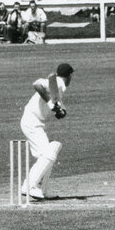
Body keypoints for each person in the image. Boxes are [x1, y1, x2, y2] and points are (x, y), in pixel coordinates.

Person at [18, 63, 73, 200]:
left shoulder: (59, 89)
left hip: (35, 122)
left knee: (50, 152)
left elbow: (60, 112)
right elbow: (37, 84)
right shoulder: (57, 83)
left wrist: (60, 111)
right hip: (31, 121)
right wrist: (49, 102)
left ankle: (43, 189)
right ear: (70, 76)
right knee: (49, 151)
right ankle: (29, 185)